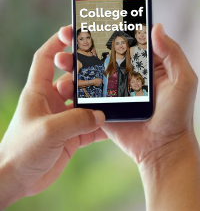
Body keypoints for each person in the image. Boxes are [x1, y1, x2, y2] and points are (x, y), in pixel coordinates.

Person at [0, 24, 200, 211]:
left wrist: (166, 149)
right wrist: (11, 173)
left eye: (89, 38)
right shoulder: (104, 62)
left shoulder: (131, 63)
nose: (86, 41)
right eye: (117, 43)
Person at [103, 31, 133, 97]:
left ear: (127, 45)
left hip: (126, 98)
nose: (121, 46)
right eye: (117, 43)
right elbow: (104, 82)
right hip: (110, 98)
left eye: (123, 43)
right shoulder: (107, 61)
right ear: (113, 46)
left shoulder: (131, 62)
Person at [77, 29, 104, 98]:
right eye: (81, 39)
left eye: (88, 38)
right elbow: (72, 82)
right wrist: (92, 82)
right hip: (86, 99)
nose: (85, 41)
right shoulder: (77, 58)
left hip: (98, 97)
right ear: (77, 42)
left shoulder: (92, 54)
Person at [130, 23, 148, 91]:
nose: (142, 35)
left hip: (152, 86)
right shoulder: (132, 50)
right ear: (135, 35)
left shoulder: (154, 50)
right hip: (137, 88)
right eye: (139, 32)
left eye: (145, 32)